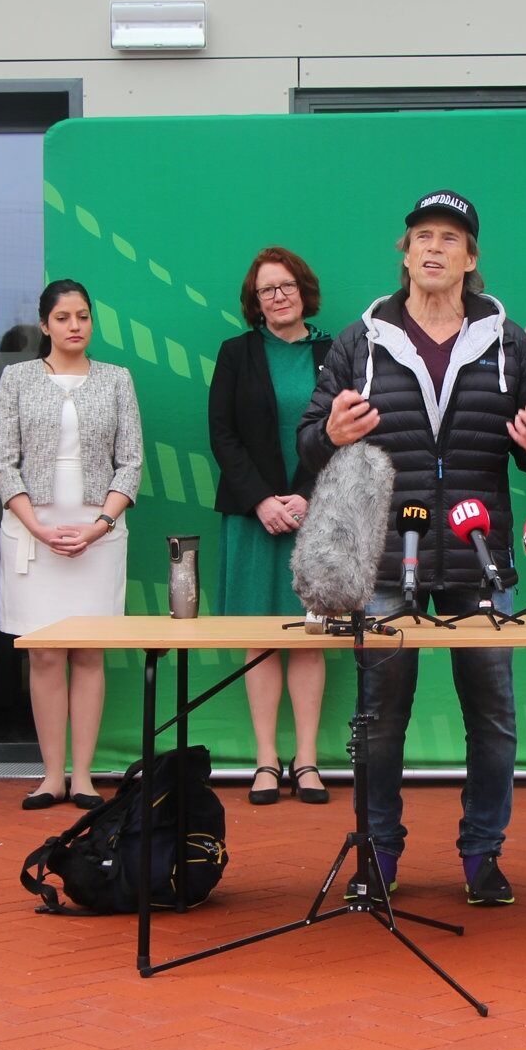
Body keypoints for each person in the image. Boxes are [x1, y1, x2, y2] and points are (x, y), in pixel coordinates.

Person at [299, 189, 526, 906]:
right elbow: (309, 443)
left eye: (450, 238)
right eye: (423, 235)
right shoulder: (361, 342)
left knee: (494, 717)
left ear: (471, 258)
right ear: (406, 251)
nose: (434, 248)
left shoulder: (508, 343)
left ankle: (483, 855)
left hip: (480, 560)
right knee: (380, 719)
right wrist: (330, 435)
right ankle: (379, 853)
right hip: (389, 558)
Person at [0, 279, 142, 811]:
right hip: (33, 534)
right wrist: (37, 526)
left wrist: (99, 525)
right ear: (44, 324)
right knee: (45, 654)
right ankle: (51, 776)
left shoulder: (117, 378)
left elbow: (131, 461)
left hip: (97, 534)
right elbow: (3, 463)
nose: (74, 326)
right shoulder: (16, 378)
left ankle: (83, 777)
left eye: (83, 316)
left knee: (88, 651)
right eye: (63, 317)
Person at [209, 247, 332, 806]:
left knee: (309, 637)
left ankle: (306, 761)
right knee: (260, 639)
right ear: (254, 302)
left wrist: (305, 497)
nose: (278, 297)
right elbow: (222, 435)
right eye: (267, 290)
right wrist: (262, 500)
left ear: (304, 291)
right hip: (252, 518)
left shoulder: (335, 353)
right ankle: (265, 760)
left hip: (316, 516)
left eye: (286, 286)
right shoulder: (235, 354)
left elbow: (344, 433)